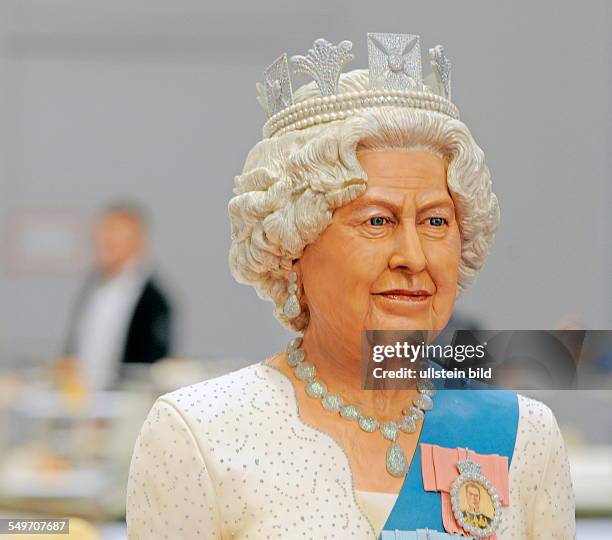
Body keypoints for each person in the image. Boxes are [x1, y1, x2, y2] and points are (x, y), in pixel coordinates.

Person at [126, 34, 575, 539]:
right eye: (378, 221)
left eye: (435, 222)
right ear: (293, 245)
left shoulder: (525, 438)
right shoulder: (201, 434)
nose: (413, 256)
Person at [60, 203, 173, 391]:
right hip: (84, 397)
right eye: (104, 236)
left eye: (116, 237)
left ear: (137, 240)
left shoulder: (153, 300)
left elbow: (149, 364)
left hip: (125, 401)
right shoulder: (93, 285)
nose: (107, 242)